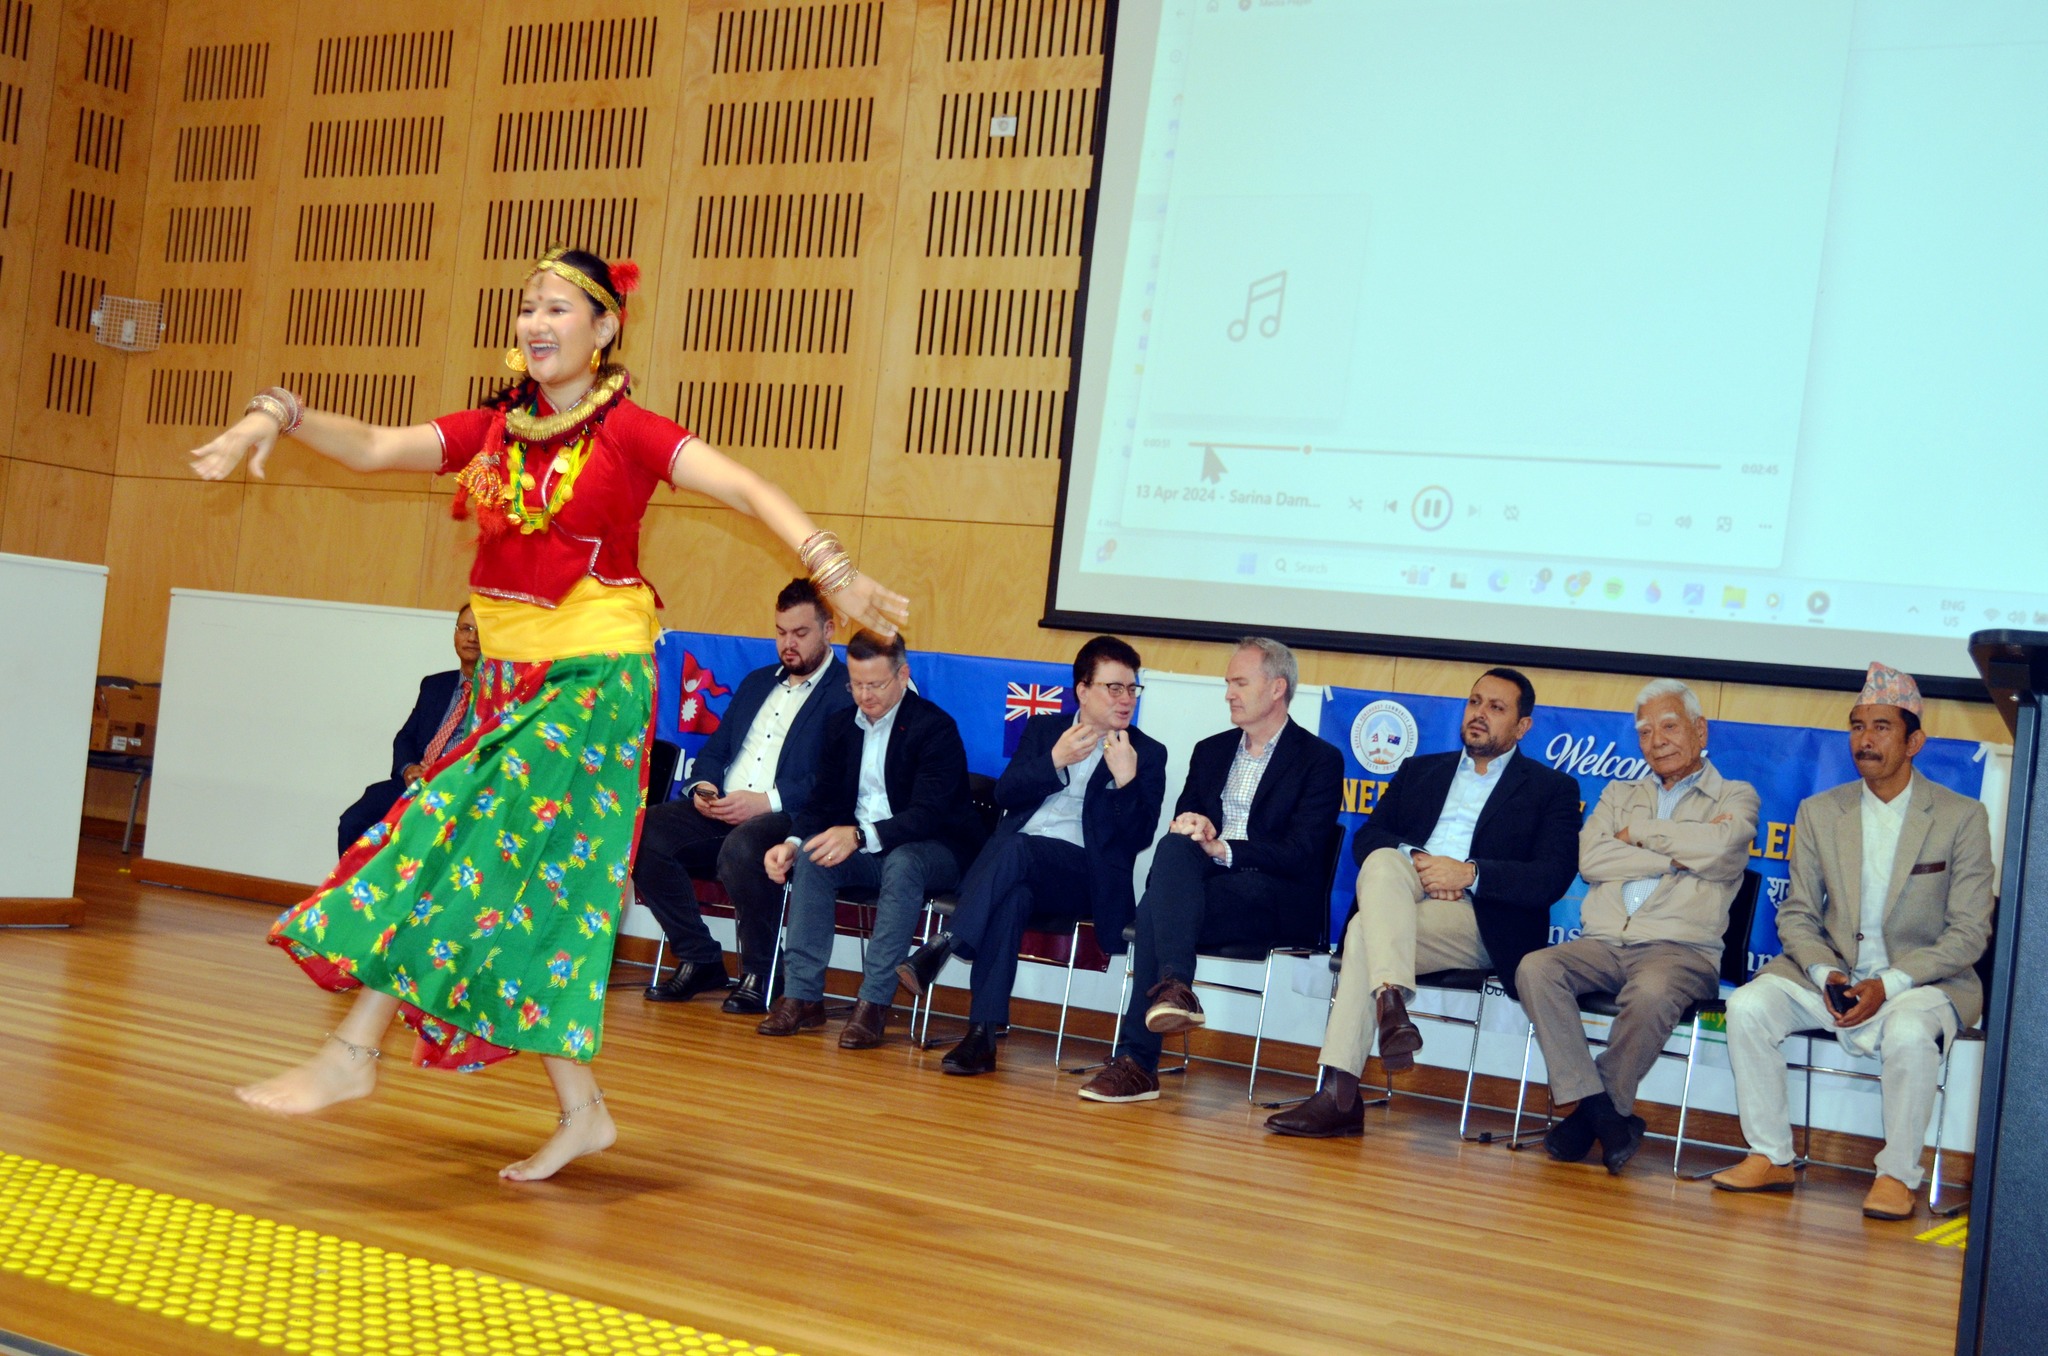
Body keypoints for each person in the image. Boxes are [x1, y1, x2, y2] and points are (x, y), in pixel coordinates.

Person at [188, 246, 907, 1180]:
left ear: (604, 327)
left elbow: (743, 486)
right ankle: (584, 1112)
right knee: (540, 894)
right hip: (508, 684)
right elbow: (372, 446)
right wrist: (275, 412)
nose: (537, 322)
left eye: (560, 308)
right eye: (529, 305)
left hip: (594, 682)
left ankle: (355, 1049)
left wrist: (834, 568)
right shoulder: (495, 429)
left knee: (455, 842)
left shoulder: (629, 431)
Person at [1711, 663, 1993, 1220]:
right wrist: (1825, 973)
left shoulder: (1961, 817)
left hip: (1922, 982)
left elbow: (1968, 933)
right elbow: (1797, 913)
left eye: (1881, 727)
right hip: (1834, 976)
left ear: (1914, 742)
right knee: (1747, 1005)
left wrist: (1888, 984)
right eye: (1858, 726)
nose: (1865, 739)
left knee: (1909, 1032)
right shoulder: (1821, 812)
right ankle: (1771, 1155)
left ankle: (1896, 1175)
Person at [1266, 667, 1580, 1137]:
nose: (1479, 714)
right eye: (1475, 702)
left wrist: (1469, 874)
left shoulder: (1551, 789)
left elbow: (1551, 877)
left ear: (1522, 726)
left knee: (1362, 933)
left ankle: (1341, 1092)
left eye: (1496, 708)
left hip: (1481, 919)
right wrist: (1421, 861)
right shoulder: (1421, 770)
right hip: (1404, 893)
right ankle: (1389, 1004)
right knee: (1382, 860)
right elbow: (1368, 838)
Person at [1079, 638, 1342, 1103]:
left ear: (1277, 688)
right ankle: (1175, 990)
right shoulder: (1211, 750)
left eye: (1240, 683)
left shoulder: (1318, 760)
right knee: (1174, 847)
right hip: (1204, 890)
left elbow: (1301, 853)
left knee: (1156, 911)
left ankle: (1138, 1061)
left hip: (1273, 896)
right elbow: (1185, 819)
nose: (1228, 694)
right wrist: (1194, 825)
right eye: (1227, 683)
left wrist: (1224, 848)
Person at [895, 636, 1168, 1076]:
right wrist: (1054, 760)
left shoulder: (1146, 753)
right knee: (1013, 896)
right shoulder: (1044, 732)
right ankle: (981, 1037)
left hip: (1083, 876)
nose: (1126, 699)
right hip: (1016, 869)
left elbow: (1137, 838)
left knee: (1019, 850)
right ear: (1083, 690)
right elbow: (1005, 794)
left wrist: (1125, 783)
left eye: (1132, 688)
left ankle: (945, 943)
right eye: (1114, 688)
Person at [1516, 679, 1759, 1173]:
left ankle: (1592, 1115)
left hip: (1680, 951)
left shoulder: (1735, 795)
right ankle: (1603, 1112)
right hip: (1603, 943)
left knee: (1651, 993)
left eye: (1669, 727)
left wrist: (1642, 834)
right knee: (1535, 968)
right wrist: (1675, 857)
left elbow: (1719, 851)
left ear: (1699, 730)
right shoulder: (1618, 793)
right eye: (1645, 732)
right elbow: (1591, 860)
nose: (1657, 741)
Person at [759, 630, 985, 1049]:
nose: (865, 695)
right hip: (866, 848)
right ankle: (802, 996)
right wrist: (792, 843)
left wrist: (861, 835)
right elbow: (822, 801)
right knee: (813, 857)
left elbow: (928, 814)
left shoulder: (934, 728)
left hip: (937, 849)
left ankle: (874, 1003)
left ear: (903, 675)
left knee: (903, 862)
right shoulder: (840, 726)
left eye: (876, 685)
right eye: (856, 684)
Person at [634, 578, 851, 1010]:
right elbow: (715, 750)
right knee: (643, 833)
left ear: (828, 630)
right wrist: (704, 786)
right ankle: (699, 958)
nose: (788, 644)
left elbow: (838, 777)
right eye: (781, 632)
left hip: (787, 815)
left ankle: (764, 972)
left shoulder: (845, 691)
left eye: (800, 633)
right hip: (724, 807)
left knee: (743, 848)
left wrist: (766, 801)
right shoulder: (756, 682)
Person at [335, 606, 480, 858]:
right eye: (465, 629)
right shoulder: (435, 685)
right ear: (455, 634)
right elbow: (406, 738)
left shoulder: (501, 695)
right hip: (413, 784)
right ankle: (355, 885)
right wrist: (408, 769)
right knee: (353, 822)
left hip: (458, 790)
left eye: (482, 631)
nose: (472, 638)